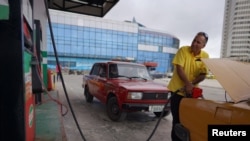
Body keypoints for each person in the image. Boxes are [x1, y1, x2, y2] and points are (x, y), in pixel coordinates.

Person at [167, 32, 209, 141]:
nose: (194, 43)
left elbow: (203, 74)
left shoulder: (205, 56)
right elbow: (179, 68)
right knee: (177, 121)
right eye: (194, 40)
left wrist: (191, 84)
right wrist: (187, 84)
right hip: (177, 92)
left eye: (198, 42)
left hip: (191, 94)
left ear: (203, 45)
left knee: (190, 122)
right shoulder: (183, 50)